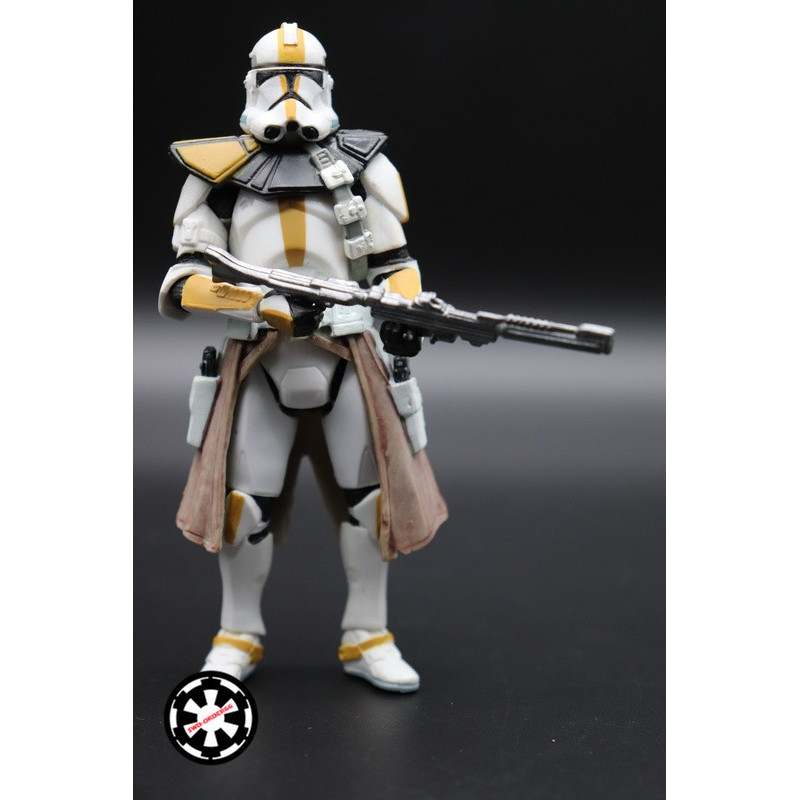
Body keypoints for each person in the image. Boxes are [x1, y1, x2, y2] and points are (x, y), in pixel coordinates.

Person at [158, 23, 447, 693]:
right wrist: (257, 304)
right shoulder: (217, 174)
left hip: (347, 351)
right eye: (276, 81)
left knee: (371, 502)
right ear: (252, 86)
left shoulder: (364, 167)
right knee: (242, 507)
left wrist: (407, 308)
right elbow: (183, 281)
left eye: (303, 80)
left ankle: (367, 634)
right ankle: (237, 634)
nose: (290, 94)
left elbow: (396, 264)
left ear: (325, 86)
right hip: (260, 357)